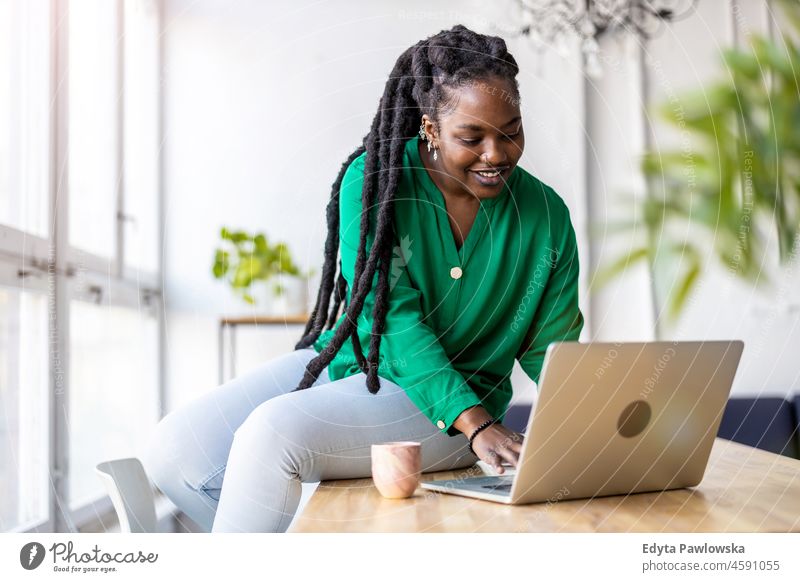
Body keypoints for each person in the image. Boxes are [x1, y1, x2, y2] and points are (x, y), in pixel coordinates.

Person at [143, 24, 584, 533]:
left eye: (511, 130)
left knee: (272, 434)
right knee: (175, 452)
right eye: (472, 137)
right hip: (362, 360)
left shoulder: (546, 215)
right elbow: (392, 322)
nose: (497, 152)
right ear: (431, 128)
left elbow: (551, 348)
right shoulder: (375, 181)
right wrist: (479, 426)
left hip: (453, 403)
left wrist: (564, 424)